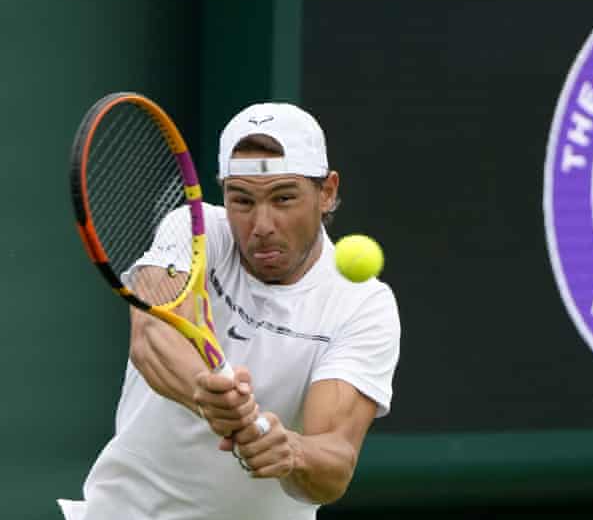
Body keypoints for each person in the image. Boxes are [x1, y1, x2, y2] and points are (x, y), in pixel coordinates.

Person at [58, 103, 401, 520]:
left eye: (284, 198)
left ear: (326, 192)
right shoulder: (195, 229)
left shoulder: (362, 304)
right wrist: (205, 393)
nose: (262, 224)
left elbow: (335, 462)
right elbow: (152, 338)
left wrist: (289, 451)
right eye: (242, 200)